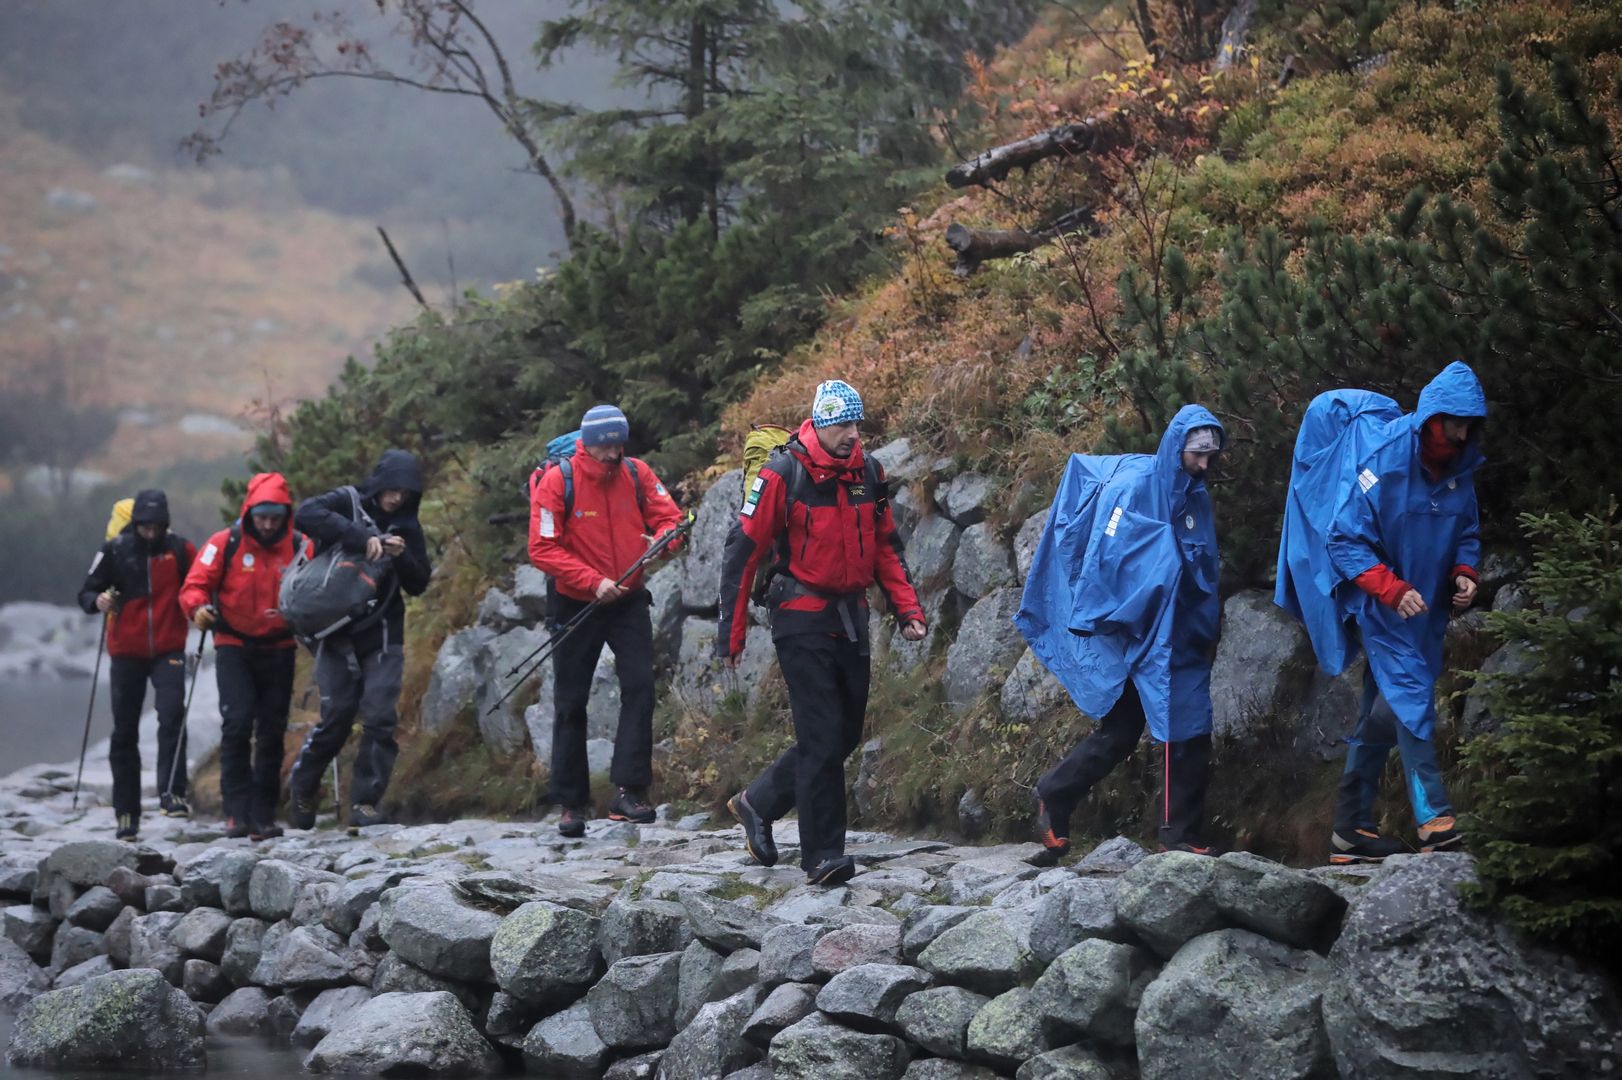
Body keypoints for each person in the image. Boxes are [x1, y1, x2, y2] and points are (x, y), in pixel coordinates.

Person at [718, 380, 927, 886]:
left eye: (857, 425)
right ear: (820, 422)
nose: (852, 435)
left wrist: (907, 609)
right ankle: (822, 855)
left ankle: (757, 802)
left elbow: (885, 546)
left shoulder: (867, 473)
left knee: (844, 733)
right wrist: (732, 633)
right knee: (820, 736)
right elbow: (741, 553)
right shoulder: (782, 473)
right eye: (842, 425)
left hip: (849, 617)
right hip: (800, 615)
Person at [1276, 361, 1485, 863]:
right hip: (1384, 606)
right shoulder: (1385, 460)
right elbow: (1343, 538)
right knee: (1410, 697)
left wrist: (1465, 573)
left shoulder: (1461, 471)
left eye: (1467, 424)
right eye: (1452, 421)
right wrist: (1389, 589)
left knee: (1385, 707)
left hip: (1427, 614)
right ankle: (1435, 819)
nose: (1459, 433)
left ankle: (1350, 829)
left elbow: (1469, 533)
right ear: (1432, 416)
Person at [1015, 406, 1225, 864]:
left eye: (1212, 455)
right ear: (1177, 448)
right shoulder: (1132, 491)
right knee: (1145, 727)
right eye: (1198, 454)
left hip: (1180, 633)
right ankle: (1167, 832)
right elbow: (1103, 562)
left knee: (1172, 725)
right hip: (1135, 634)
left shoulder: (1196, 498)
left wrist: (1203, 624)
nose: (1206, 464)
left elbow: (1204, 565)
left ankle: (1065, 797)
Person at [529, 404, 685, 838]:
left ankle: (629, 793)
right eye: (605, 446)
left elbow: (669, 518)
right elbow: (542, 548)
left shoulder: (637, 474)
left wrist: (666, 540)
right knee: (570, 700)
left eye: (619, 444)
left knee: (639, 686)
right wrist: (593, 581)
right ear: (587, 443)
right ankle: (571, 802)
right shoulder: (558, 481)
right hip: (575, 602)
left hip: (629, 599)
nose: (613, 453)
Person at [285, 450, 432, 832]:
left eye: (405, 492)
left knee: (380, 716)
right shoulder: (347, 501)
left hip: (383, 629)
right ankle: (302, 788)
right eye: (391, 489)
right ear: (379, 482)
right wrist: (361, 536)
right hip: (334, 631)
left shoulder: (408, 526)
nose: (396, 498)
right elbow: (304, 514)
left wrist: (400, 556)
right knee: (337, 716)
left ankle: (366, 803)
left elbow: (419, 584)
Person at [179, 472, 300, 841]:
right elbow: (194, 585)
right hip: (234, 645)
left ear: (284, 515)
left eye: (274, 517)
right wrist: (198, 609)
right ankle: (235, 812)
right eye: (261, 516)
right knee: (236, 724)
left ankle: (263, 814)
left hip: (280, 647)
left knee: (272, 730)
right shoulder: (224, 543)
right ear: (249, 513)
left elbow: (320, 585)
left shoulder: (300, 546)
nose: (266, 524)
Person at [76, 489, 197, 840]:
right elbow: (85, 593)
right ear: (135, 524)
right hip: (125, 651)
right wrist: (97, 600)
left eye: (156, 526)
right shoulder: (114, 550)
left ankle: (172, 793)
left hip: (168, 647)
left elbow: (199, 585)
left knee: (173, 712)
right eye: (144, 526)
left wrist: (203, 609)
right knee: (124, 731)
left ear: (165, 524)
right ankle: (126, 813)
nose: (150, 532)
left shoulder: (179, 550)